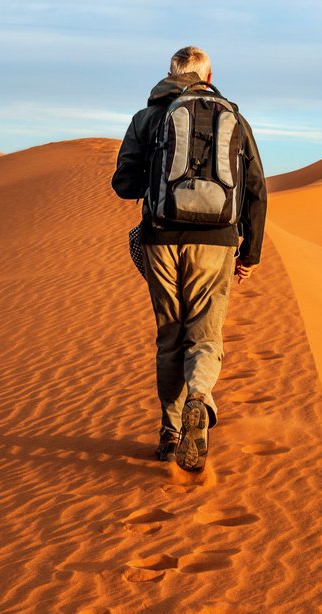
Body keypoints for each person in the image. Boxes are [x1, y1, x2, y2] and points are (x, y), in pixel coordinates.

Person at [112, 45, 267, 471]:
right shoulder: (232, 117)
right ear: (209, 76)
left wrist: (158, 181)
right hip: (216, 241)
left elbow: (123, 185)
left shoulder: (148, 117)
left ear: (169, 73)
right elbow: (255, 189)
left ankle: (171, 430)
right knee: (204, 336)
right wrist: (249, 252)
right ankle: (200, 396)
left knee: (170, 335)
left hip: (160, 238)